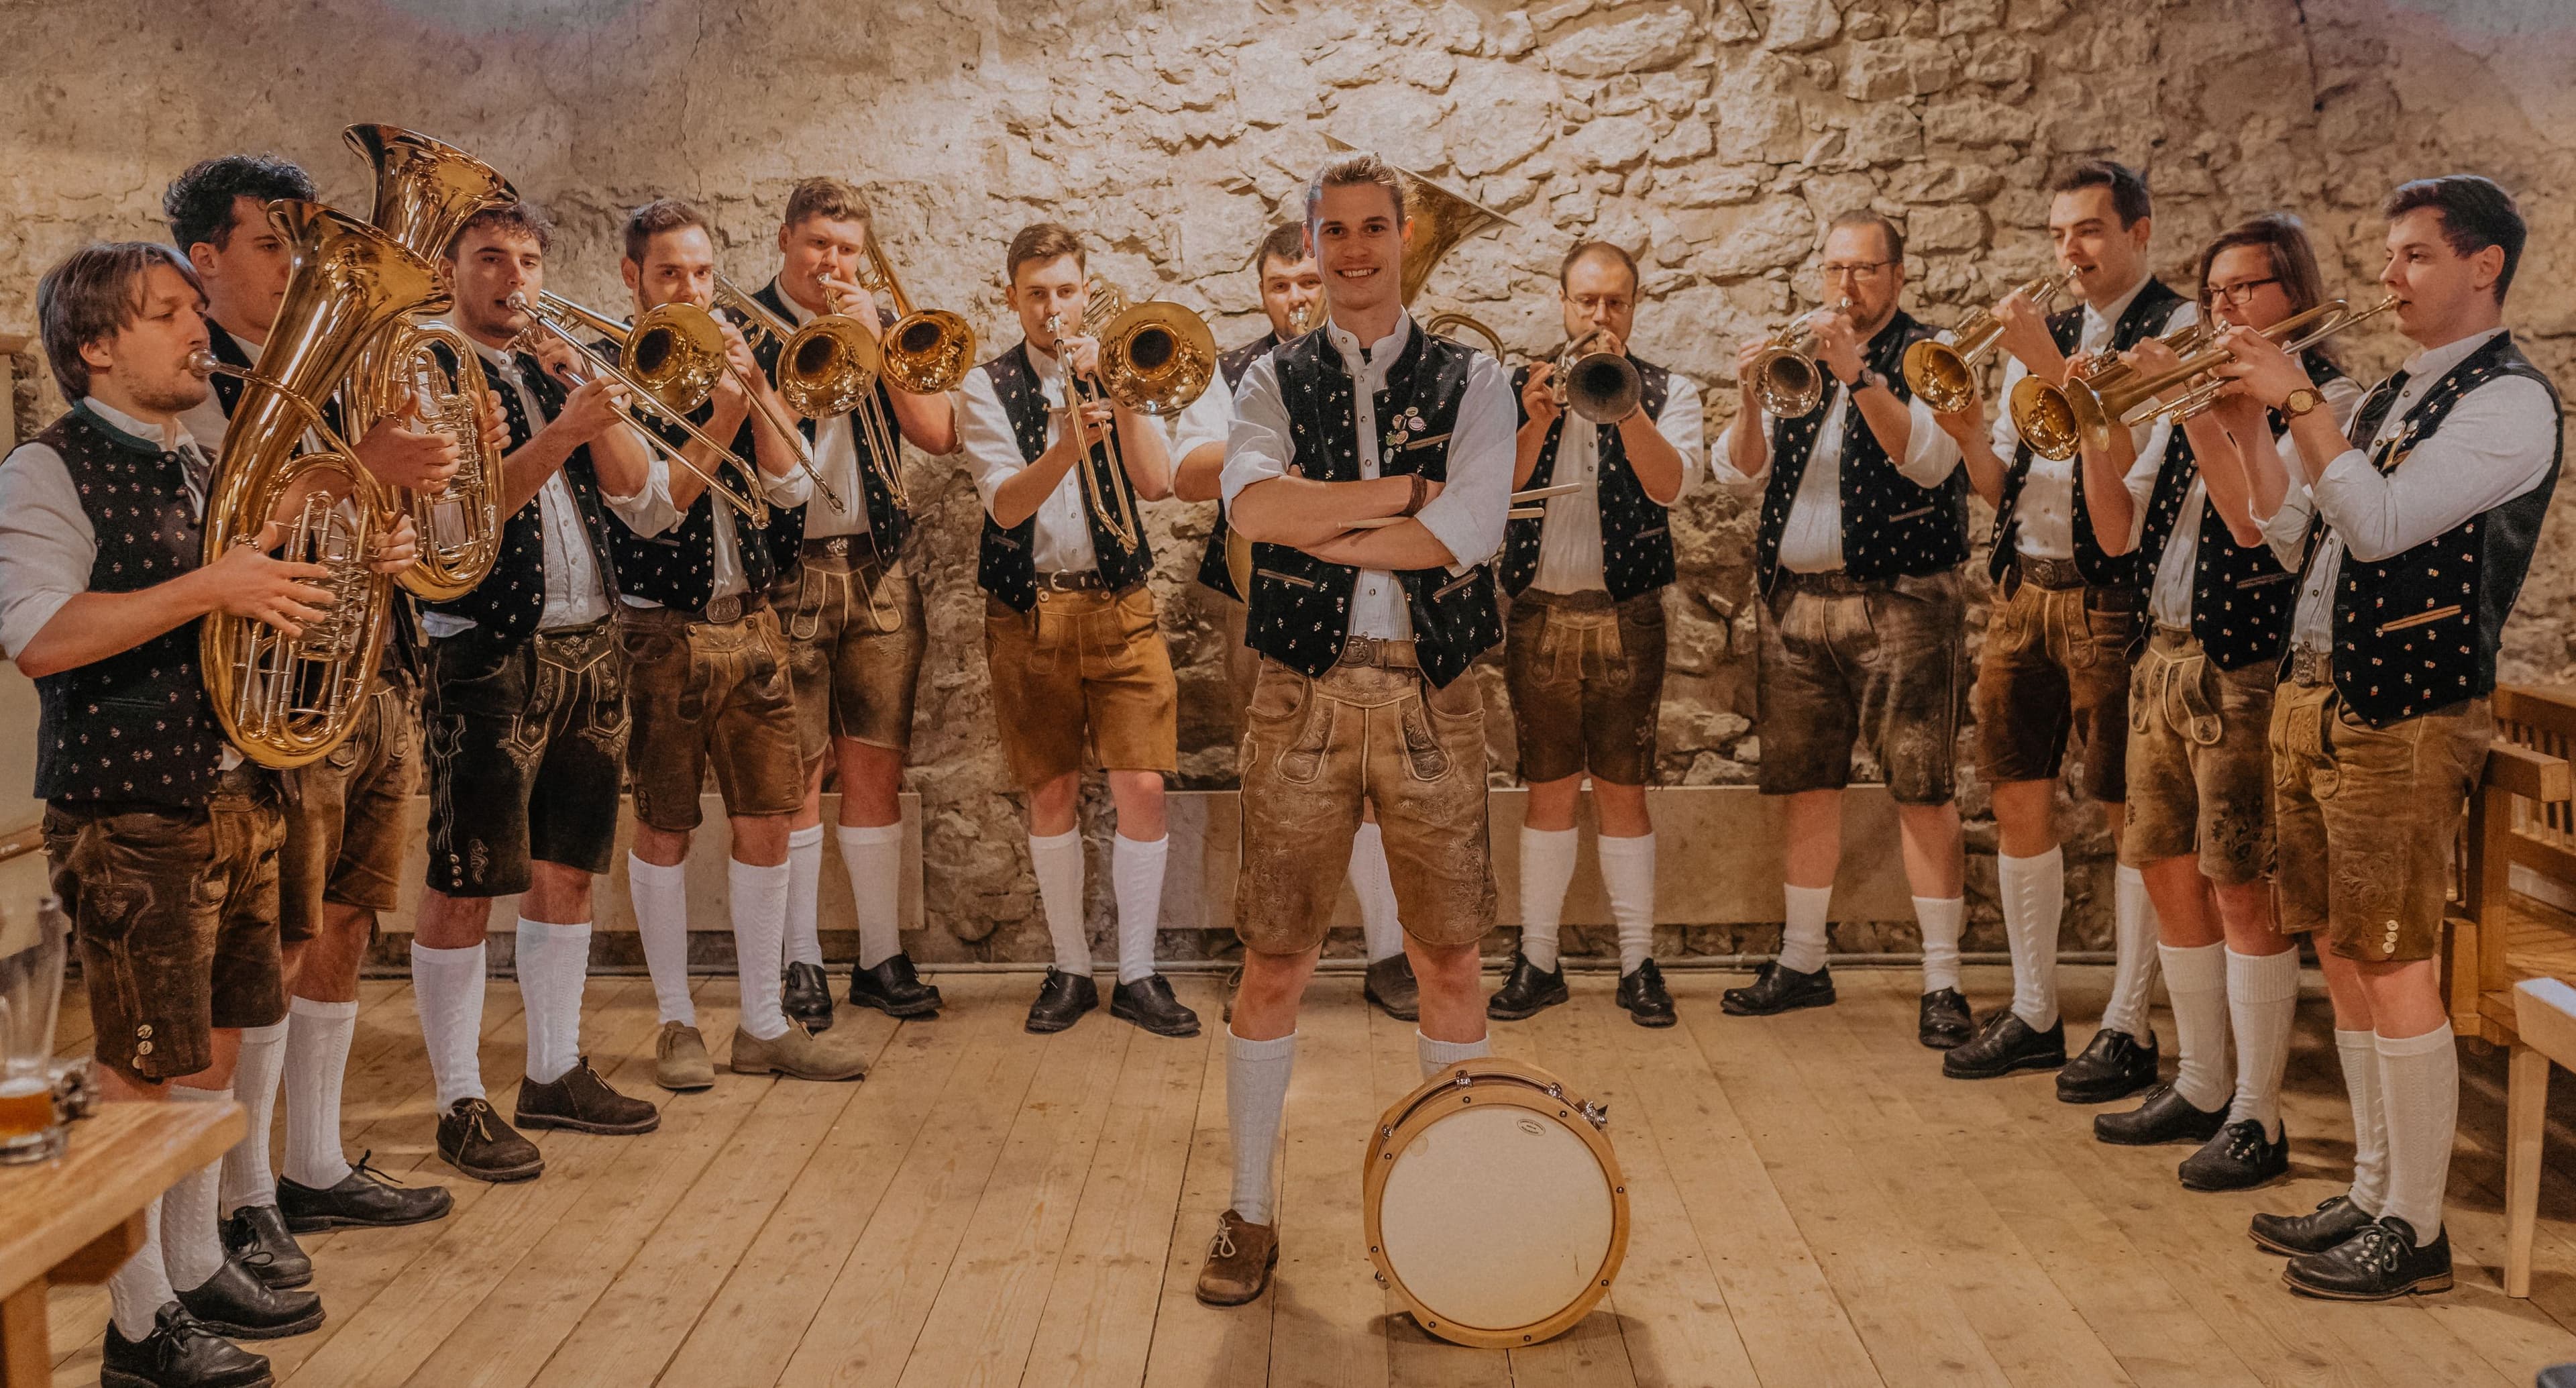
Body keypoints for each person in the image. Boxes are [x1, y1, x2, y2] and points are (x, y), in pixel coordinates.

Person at [0, 242, 424, 1383]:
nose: (201, 330)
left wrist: (366, 555)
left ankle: (188, 1267)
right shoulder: (46, 471)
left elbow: (267, 597)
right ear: (96, 345)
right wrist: (215, 583)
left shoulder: (199, 460)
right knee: (145, 1064)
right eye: (170, 312)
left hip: (237, 791)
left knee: (218, 1050)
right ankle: (138, 1324)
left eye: (196, 308)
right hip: (131, 808)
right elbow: (42, 633)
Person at [2231, 175, 2559, 1300]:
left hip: (2408, 707)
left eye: (2415, 255)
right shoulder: (2386, 392)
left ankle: (2417, 1230)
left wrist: (2301, 401)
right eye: (2390, 254)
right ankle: (2374, 1187)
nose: (2389, 277)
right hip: (2319, 693)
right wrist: (2234, 418)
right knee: (2338, 942)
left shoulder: (2511, 402)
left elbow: (2376, 529)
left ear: (2484, 267)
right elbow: (2288, 541)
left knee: (2396, 951)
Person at [1196, 150, 1514, 1307]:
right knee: (1274, 956)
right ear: (1314, 243)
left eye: (1376, 230)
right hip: (1301, 692)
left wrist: (1329, 529)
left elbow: (1472, 531)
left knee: (1449, 954)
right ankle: (1249, 1206)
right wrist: (1398, 498)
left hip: (1434, 687)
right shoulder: (1265, 379)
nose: (1358, 252)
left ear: (1398, 236)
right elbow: (1251, 507)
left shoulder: (1478, 379)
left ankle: (1456, 1196)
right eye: (1337, 233)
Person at [162, 154, 474, 1279]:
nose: (297, 267)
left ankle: (312, 1157)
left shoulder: (318, 375)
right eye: (272, 244)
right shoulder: (187, 383)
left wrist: (386, 528)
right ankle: (241, 1195)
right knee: (272, 948)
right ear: (203, 261)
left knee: (344, 922)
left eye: (303, 243)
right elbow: (211, 539)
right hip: (265, 700)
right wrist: (351, 477)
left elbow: (350, 513)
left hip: (366, 675)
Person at [2087, 214, 2362, 1192]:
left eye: (2247, 288)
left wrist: (2209, 407)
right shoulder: (2198, 393)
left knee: (2243, 887)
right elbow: (2118, 535)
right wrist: (2099, 422)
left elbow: (2257, 532)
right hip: (2161, 655)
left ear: (2295, 292)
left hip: (2245, 667)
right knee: (2166, 866)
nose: (2225, 307)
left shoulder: (2323, 398)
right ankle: (2201, 1079)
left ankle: (2260, 1111)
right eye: (2214, 292)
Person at [409, 201, 669, 1181]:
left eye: (527, 258)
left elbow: (641, 499)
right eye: (490, 259)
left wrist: (592, 402)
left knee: (569, 867)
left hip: (590, 642)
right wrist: (561, 432)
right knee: (469, 877)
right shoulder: (430, 369)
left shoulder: (549, 362)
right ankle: (458, 1098)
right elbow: (455, 525)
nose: (514, 276)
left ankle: (555, 1068)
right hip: (488, 649)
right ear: (449, 273)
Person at [1931, 160, 2192, 1100]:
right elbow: (2008, 486)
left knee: (2130, 812)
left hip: (2111, 595)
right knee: (2016, 796)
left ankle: (2128, 1022)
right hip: (2023, 586)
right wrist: (1968, 436)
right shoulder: (2042, 336)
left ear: (2140, 232)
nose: (2069, 250)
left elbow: (2139, 484)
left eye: (2087, 229)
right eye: (2057, 234)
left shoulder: (2175, 333)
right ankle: (2036, 1009)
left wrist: (2045, 362)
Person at [606, 197, 873, 1086]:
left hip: (756, 622)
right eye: (670, 273)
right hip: (664, 634)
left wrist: (755, 391)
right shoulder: (620, 374)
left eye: (703, 273)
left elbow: (795, 492)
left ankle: (763, 1022)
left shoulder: (742, 355)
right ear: (633, 279)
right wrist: (721, 414)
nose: (691, 288)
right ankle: (678, 1022)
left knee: (767, 819)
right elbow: (648, 509)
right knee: (665, 826)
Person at [1713, 211, 1971, 1047]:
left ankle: (1942, 979)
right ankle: (1802, 959)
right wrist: (1750, 395)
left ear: (1898, 276)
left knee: (1922, 787)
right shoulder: (1800, 355)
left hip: (1899, 599)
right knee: (1805, 785)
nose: (1844, 288)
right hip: (1795, 603)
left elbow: (1929, 460)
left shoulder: (1931, 353)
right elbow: (1738, 472)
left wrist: (1859, 373)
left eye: (1863, 271)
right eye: (1832, 270)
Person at [1170, 222, 1421, 1023]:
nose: (1297, 299)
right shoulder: (1236, 370)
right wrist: (1266, 453)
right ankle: (1269, 962)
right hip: (1262, 600)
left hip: (1373, 592)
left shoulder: (1393, 360)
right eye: (1282, 285)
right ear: (1262, 291)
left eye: (1309, 282)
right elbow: (1185, 470)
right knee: (1268, 778)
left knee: (1381, 779)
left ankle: (1389, 956)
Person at [956, 221, 1197, 1038]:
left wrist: (1119, 392)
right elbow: (1006, 504)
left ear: (1085, 289)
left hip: (1121, 606)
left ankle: (1137, 972)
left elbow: (1158, 482)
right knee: (1051, 789)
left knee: (1144, 788)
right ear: (1013, 297)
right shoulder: (986, 386)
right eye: (1036, 294)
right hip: (1029, 611)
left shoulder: (1121, 367)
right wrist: (1063, 446)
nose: (1052, 309)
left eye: (1065, 291)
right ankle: (1068, 966)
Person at [743, 178, 958, 1029]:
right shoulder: (746, 329)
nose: (832, 263)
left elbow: (938, 432)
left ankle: (879, 955)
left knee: (877, 763)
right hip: (786, 571)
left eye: (846, 249)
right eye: (818, 246)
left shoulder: (877, 320)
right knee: (797, 772)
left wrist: (876, 340)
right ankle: (798, 959)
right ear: (786, 240)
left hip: (878, 569)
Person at [1484, 239, 1700, 1028]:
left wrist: (1627, 401)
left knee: (1623, 789)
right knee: (1544, 788)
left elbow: (1671, 485)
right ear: (1563, 305)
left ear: (1633, 310)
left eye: (1615, 303)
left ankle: (1638, 962)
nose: (1599, 317)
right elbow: (1486, 497)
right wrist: (1535, 423)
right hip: (1539, 607)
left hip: (1627, 611)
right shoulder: (1521, 387)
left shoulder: (1668, 389)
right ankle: (1537, 958)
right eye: (1586, 302)